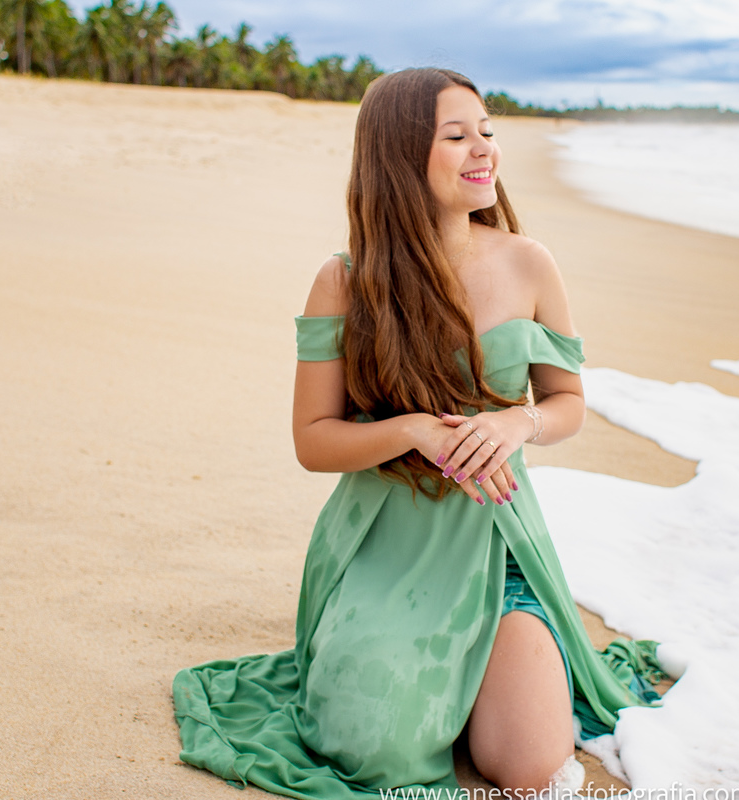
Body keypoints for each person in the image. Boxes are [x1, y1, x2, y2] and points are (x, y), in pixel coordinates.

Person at [172, 67, 666, 799]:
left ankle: (481, 685)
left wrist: (516, 420)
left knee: (532, 768)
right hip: (384, 548)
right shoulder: (345, 282)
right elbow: (313, 440)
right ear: (399, 155)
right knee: (374, 753)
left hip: (500, 544)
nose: (484, 151)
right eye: (458, 136)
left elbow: (566, 404)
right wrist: (411, 431)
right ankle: (432, 690)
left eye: (488, 132)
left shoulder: (529, 262)